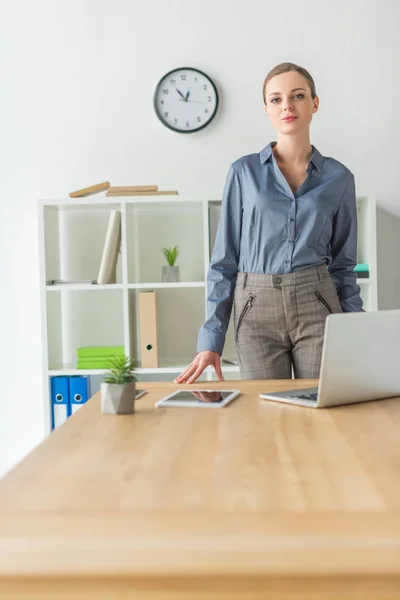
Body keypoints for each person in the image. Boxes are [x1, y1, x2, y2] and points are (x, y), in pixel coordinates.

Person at [175, 61, 363, 384]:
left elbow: (344, 266)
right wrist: (211, 340)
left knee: (320, 411)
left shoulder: (339, 179)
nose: (287, 105)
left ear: (314, 103)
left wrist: (358, 332)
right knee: (265, 417)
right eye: (276, 99)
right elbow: (223, 262)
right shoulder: (242, 173)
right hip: (255, 307)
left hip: (318, 304)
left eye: (298, 96)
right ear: (267, 109)